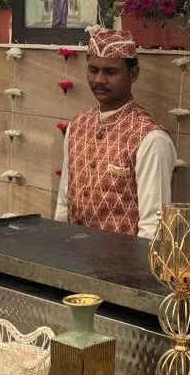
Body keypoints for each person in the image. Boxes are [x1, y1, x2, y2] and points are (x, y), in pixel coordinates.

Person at [55, 29, 175, 238]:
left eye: (111, 72)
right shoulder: (77, 125)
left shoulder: (150, 137)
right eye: (93, 70)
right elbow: (64, 202)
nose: (99, 79)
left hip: (122, 266)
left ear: (133, 74)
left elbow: (153, 226)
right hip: (72, 259)